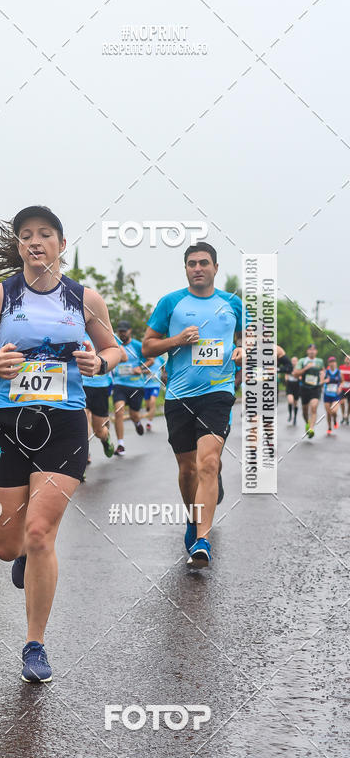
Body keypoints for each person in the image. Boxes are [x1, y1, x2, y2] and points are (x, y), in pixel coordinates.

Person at [0, 206, 123, 683]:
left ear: (61, 244)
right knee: (8, 546)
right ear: (19, 244)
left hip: (65, 425)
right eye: (26, 235)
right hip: (10, 422)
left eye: (45, 234)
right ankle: (23, 555)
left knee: (40, 531)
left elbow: (116, 349)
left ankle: (35, 645)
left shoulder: (84, 298)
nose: (35, 241)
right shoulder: (0, 296)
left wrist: (101, 363)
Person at [142, 242, 243, 568]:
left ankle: (202, 539)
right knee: (188, 470)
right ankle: (192, 516)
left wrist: (244, 349)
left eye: (203, 263)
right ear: (186, 268)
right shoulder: (171, 303)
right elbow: (147, 347)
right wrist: (176, 341)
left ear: (216, 267)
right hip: (180, 396)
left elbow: (252, 335)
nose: (197, 268)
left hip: (219, 391)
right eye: (191, 263)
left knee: (208, 464)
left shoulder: (232, 303)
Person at [82, 332, 123, 469]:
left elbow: (122, 356)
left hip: (100, 387)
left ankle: (106, 439)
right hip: (80, 385)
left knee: (99, 430)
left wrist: (100, 360)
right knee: (82, 420)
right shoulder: (75, 330)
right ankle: (83, 456)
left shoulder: (103, 332)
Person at [112, 320, 147, 455]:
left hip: (136, 385)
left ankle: (137, 422)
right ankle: (121, 444)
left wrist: (140, 368)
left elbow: (150, 360)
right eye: (120, 332)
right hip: (120, 384)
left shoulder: (138, 345)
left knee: (134, 415)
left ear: (129, 331)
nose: (122, 334)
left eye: (124, 331)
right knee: (118, 411)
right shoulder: (115, 345)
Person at [294, 345, 325, 439]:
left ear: (316, 351)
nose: (312, 351)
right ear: (307, 351)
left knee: (314, 407)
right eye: (310, 349)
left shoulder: (320, 361)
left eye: (314, 350)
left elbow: (323, 371)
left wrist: (322, 378)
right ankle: (307, 422)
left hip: (315, 388)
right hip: (304, 388)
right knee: (305, 410)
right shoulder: (302, 361)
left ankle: (311, 429)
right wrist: (305, 368)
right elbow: (295, 374)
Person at [143, 354, 166, 431]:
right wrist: (146, 371)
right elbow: (140, 369)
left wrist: (164, 375)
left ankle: (149, 422)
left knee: (152, 402)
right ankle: (149, 413)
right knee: (148, 406)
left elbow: (164, 368)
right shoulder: (145, 358)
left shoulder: (160, 359)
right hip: (145, 385)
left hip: (155, 384)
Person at [323, 356, 342, 434]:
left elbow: (342, 381)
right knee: (328, 412)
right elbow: (321, 380)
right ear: (329, 363)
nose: (332, 363)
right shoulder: (326, 372)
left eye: (334, 362)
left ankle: (334, 420)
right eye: (331, 362)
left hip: (335, 395)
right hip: (327, 395)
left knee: (333, 411)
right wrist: (324, 381)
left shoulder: (339, 372)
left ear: (336, 363)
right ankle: (329, 427)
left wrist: (340, 387)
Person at [284, 356, 300, 425]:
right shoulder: (289, 368)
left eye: (295, 361)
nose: (293, 362)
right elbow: (286, 375)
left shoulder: (299, 369)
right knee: (290, 401)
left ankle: (295, 418)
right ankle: (290, 414)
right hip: (290, 385)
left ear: (297, 362)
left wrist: (296, 375)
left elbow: (301, 377)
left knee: (295, 403)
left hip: (296, 386)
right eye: (292, 361)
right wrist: (286, 379)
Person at [340, 354, 350, 425]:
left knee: (349, 404)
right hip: (343, 388)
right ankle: (343, 415)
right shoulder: (341, 367)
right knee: (342, 402)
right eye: (346, 358)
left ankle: (347, 416)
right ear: (344, 360)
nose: (348, 360)